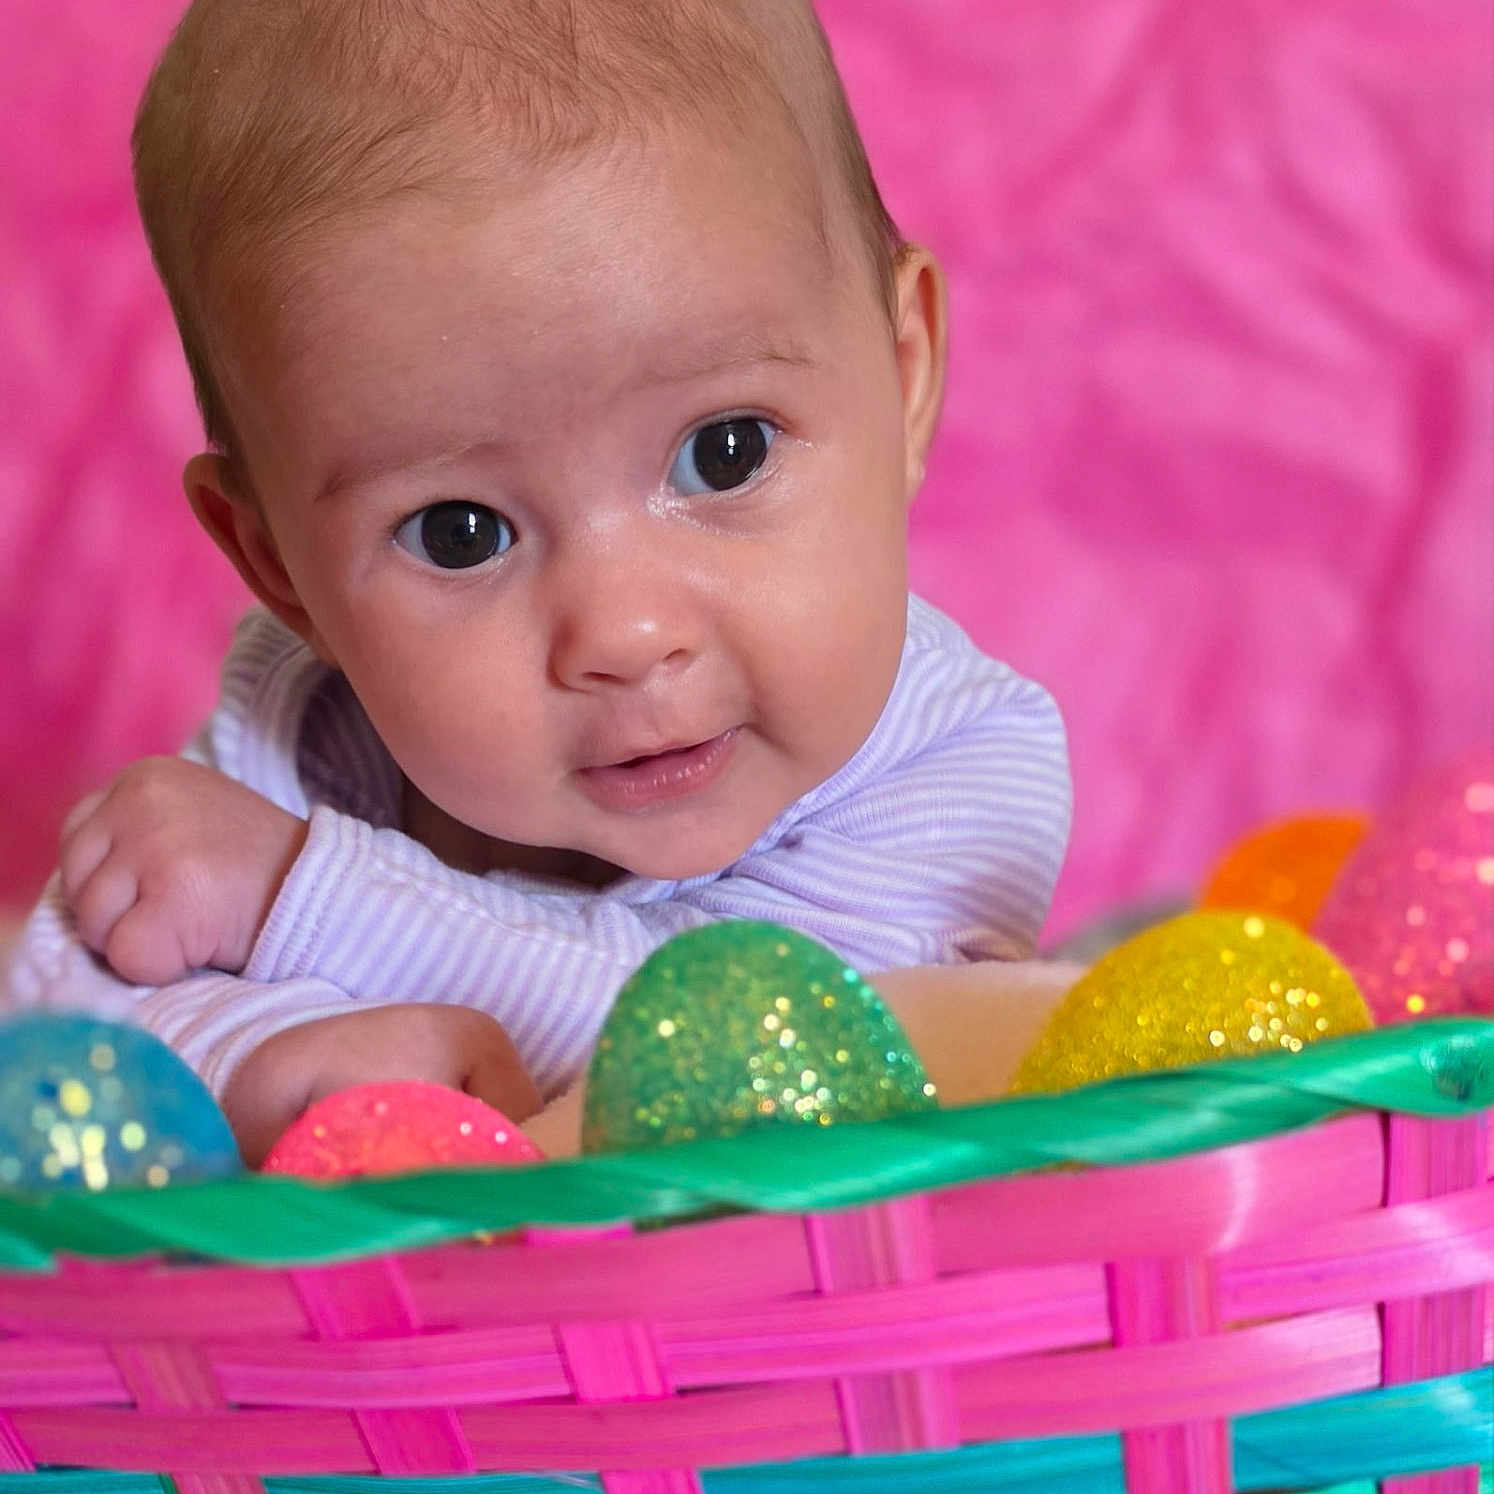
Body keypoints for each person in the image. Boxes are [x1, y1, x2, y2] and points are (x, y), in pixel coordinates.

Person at [5, 0, 1072, 1163]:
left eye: (726, 453)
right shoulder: (305, 736)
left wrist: (294, 901)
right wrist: (260, 1060)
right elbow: (62, 1029)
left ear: (903, 370)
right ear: (280, 570)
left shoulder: (958, 767)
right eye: (460, 533)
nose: (624, 629)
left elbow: (746, 1046)